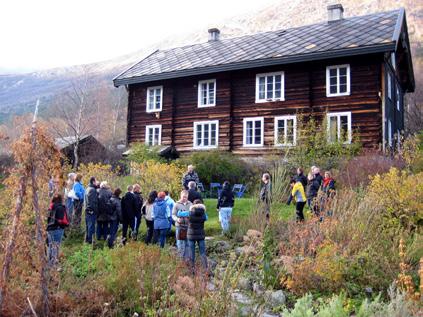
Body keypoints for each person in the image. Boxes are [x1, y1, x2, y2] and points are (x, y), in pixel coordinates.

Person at [46, 193, 69, 266]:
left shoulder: (50, 207)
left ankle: (49, 264)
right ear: (60, 199)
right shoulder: (61, 207)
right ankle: (54, 266)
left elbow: (48, 219)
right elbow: (62, 220)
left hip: (49, 229)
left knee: (50, 246)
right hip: (58, 229)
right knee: (56, 246)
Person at [188, 199, 208, 272]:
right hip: (200, 235)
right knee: (202, 252)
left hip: (191, 235)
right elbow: (207, 218)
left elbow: (180, 214)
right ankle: (205, 269)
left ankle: (192, 269)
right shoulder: (203, 214)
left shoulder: (189, 213)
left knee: (191, 253)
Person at [172, 190, 192, 258]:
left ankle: (187, 261)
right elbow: (173, 215)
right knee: (180, 244)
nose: (184, 199)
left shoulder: (190, 204)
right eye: (183, 197)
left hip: (188, 227)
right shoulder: (176, 204)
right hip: (180, 227)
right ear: (181, 196)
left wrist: (190, 217)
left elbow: (192, 214)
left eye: (186, 197)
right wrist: (177, 219)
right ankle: (180, 260)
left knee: (188, 244)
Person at [84, 176, 98, 244]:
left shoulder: (87, 188)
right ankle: (90, 242)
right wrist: (94, 211)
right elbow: (92, 202)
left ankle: (87, 240)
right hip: (91, 211)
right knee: (91, 227)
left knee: (88, 226)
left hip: (87, 210)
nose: (97, 182)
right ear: (93, 181)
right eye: (96, 181)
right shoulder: (92, 190)